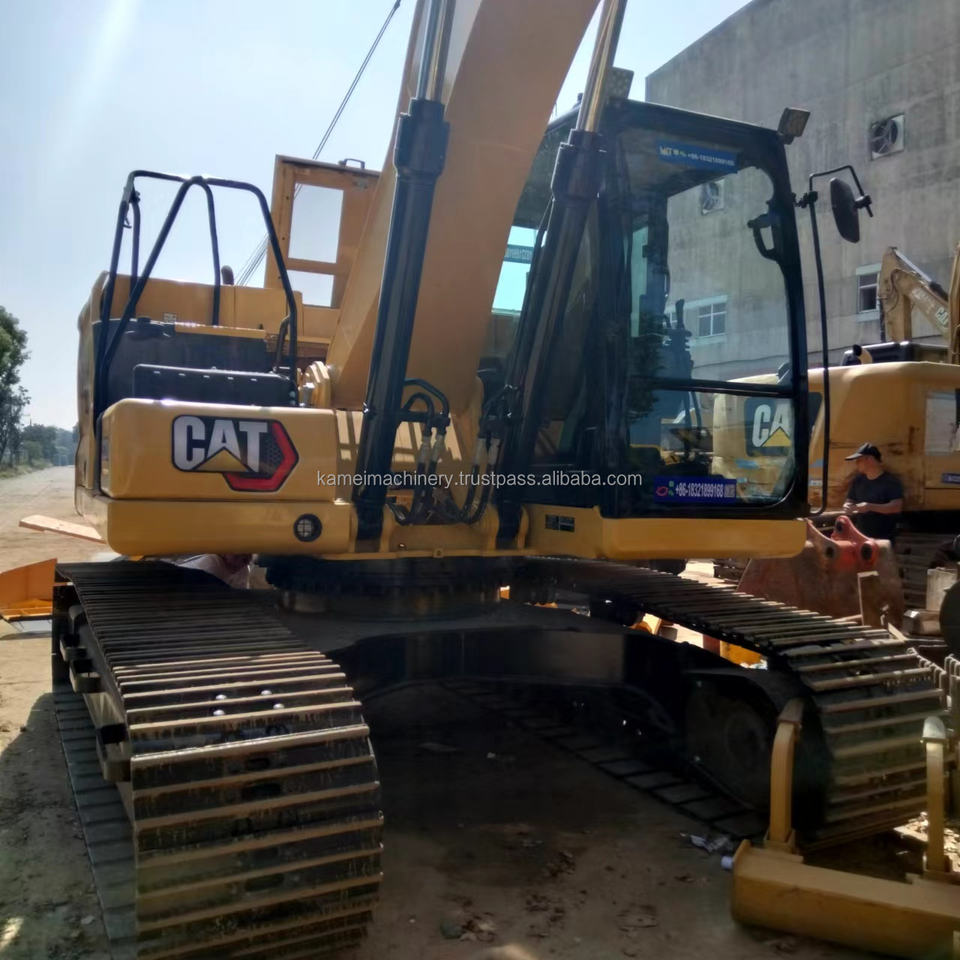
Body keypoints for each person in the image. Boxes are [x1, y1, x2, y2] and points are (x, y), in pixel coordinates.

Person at [842, 442, 903, 542]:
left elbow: (896, 507)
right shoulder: (858, 481)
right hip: (862, 538)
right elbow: (850, 500)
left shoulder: (890, 482)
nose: (856, 463)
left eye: (859, 460)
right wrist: (847, 506)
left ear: (870, 459)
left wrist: (869, 507)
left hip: (884, 540)